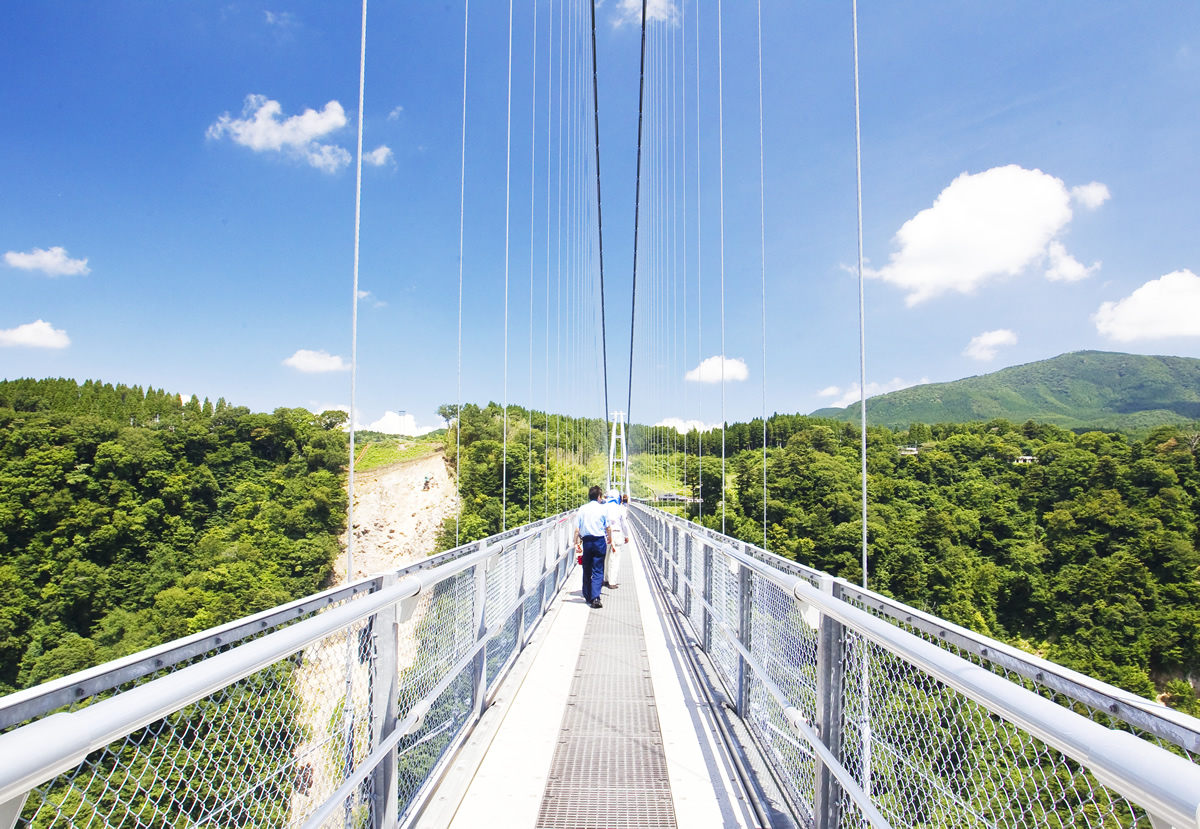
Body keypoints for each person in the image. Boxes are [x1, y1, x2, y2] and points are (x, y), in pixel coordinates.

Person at [573, 485, 608, 609]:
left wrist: (576, 543)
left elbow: (577, 529)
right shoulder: (603, 509)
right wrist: (610, 538)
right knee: (598, 569)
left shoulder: (582, 509)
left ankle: (587, 595)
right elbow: (608, 527)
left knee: (586, 568)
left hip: (587, 542)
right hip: (599, 541)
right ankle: (596, 597)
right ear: (598, 496)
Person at [603, 488, 629, 589]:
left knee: (605, 557)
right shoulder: (620, 509)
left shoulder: (603, 507)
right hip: (617, 533)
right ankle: (612, 582)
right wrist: (626, 536)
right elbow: (624, 524)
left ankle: (604, 579)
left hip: (605, 534)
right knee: (614, 558)